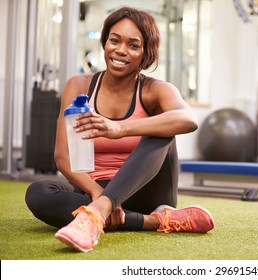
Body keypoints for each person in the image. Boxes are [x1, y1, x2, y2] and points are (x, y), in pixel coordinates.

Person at [25, 7, 214, 253]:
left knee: (162, 129)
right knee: (38, 192)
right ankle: (147, 221)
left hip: (144, 192)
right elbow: (62, 156)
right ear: (105, 43)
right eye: (114, 40)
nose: (121, 50)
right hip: (94, 190)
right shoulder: (79, 85)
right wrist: (98, 194)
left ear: (146, 52)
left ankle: (96, 215)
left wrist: (120, 128)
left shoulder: (154, 90)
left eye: (133, 45)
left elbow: (188, 118)